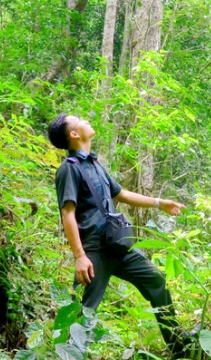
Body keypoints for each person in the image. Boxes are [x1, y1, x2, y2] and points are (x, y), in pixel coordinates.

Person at [49, 112, 193, 358]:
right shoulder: (68, 169)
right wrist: (80, 256)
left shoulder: (94, 164)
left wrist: (160, 203)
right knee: (82, 312)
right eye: (79, 120)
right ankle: (68, 355)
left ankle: (179, 347)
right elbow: (68, 214)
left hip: (117, 244)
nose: (86, 120)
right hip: (93, 251)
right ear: (74, 134)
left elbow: (122, 194)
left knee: (157, 280)